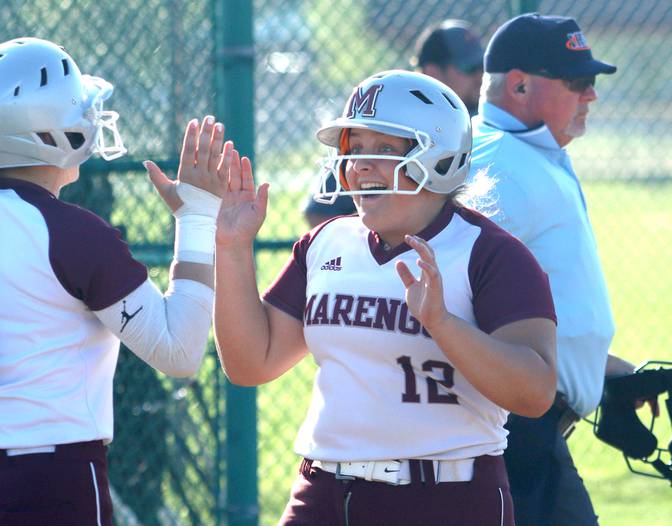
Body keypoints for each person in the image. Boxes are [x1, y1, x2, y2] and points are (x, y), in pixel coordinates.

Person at [0, 37, 229, 525]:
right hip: (49, 487)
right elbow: (179, 351)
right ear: (46, 131)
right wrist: (199, 217)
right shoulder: (72, 233)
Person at [214, 69, 558, 526]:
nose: (359, 166)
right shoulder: (326, 243)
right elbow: (249, 363)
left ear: (438, 158)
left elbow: (535, 393)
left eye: (383, 149)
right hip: (323, 490)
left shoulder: (489, 253)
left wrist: (444, 324)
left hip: (443, 496)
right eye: (354, 151)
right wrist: (232, 247)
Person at [470, 13, 645, 526]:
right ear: (520, 85)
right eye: (578, 82)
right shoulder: (497, 166)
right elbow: (460, 300)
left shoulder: (525, 153)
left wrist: (599, 368)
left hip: (529, 426)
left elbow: (519, 304)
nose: (591, 95)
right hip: (510, 428)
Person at [411, 19, 485, 116]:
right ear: (432, 73)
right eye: (470, 68)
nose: (480, 77)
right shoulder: (408, 121)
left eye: (482, 66)